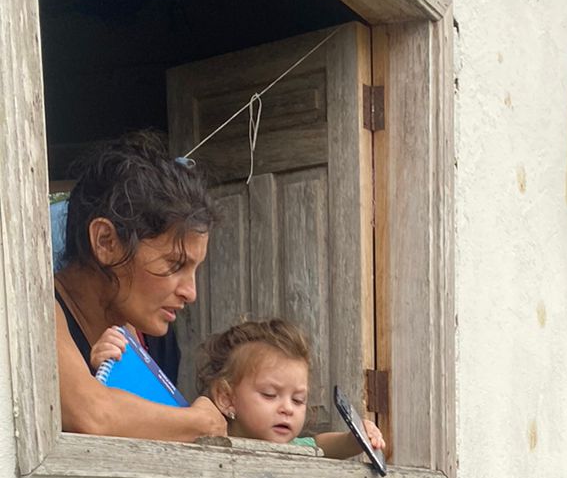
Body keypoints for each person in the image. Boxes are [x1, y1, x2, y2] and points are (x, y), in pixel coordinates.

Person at [53, 132, 227, 443]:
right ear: (106, 242)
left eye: (194, 269)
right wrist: (200, 422)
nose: (191, 293)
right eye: (175, 264)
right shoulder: (38, 310)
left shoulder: (145, 336)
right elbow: (91, 415)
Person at [193, 320, 390, 461]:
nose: (287, 408)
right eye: (269, 394)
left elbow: (321, 444)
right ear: (226, 398)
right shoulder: (206, 443)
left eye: (298, 400)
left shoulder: (294, 448)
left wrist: (354, 440)